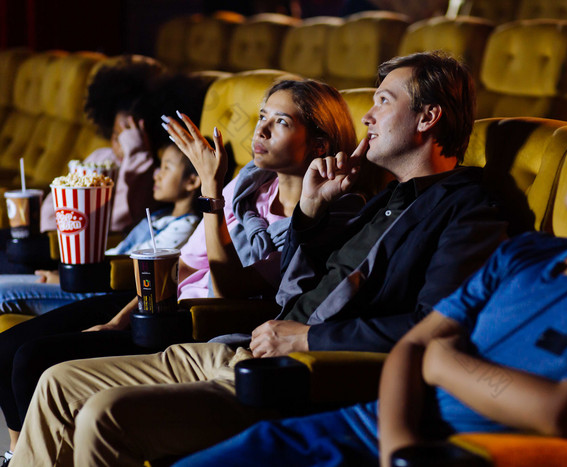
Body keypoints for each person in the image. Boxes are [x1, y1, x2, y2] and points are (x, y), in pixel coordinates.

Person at [9, 51, 513, 466]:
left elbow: (434, 327)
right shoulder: (382, 200)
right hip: (243, 346)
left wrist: (309, 336)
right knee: (55, 383)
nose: (367, 115)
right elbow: (296, 292)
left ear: (428, 117)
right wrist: (311, 215)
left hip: (299, 370)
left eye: (384, 100)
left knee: (104, 414)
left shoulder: (465, 209)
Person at [171, 81, 567, 467]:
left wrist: (441, 363)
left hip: (463, 451)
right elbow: (410, 351)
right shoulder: (526, 255)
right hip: (373, 426)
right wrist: (398, 447)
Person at [0, 78, 357, 465]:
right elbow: (182, 265)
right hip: (160, 301)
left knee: (33, 359)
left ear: (320, 144)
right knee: (8, 349)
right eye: (261, 116)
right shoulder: (248, 186)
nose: (261, 129)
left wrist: (211, 193)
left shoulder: (320, 213)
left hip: (197, 319)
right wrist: (120, 320)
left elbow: (227, 291)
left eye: (281, 122)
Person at [0, 143, 201, 315]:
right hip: (91, 278)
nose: (157, 175)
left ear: (192, 181)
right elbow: (121, 250)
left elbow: (140, 267)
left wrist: (73, 278)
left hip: (105, 290)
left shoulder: (186, 226)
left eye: (166, 168)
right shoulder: (160, 215)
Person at [39, 55, 164, 235]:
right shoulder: (100, 158)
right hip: (63, 239)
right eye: (116, 137)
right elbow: (56, 202)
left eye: (130, 139)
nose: (121, 147)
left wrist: (136, 151)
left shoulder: (155, 173)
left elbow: (121, 219)